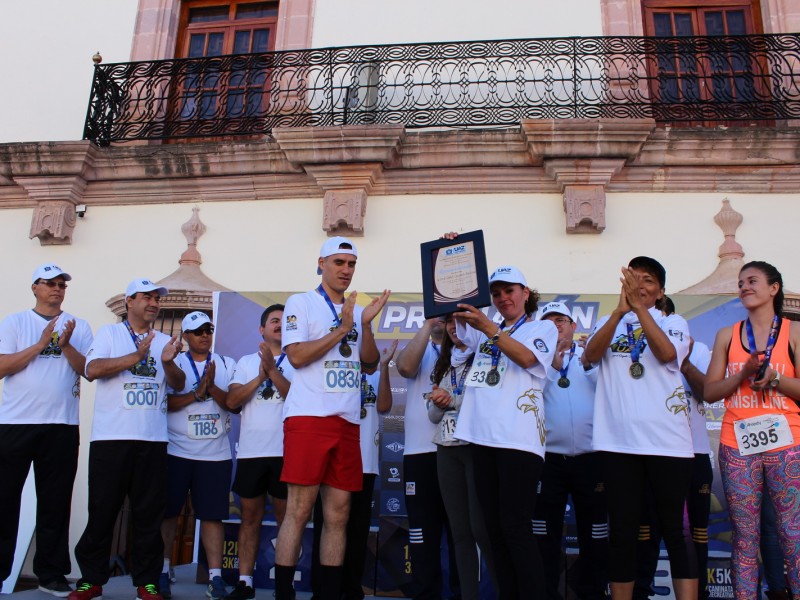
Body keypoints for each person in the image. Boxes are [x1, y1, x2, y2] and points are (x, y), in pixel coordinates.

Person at [273, 237, 389, 600]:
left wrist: (364, 326)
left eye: (351, 264)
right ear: (321, 263)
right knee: (299, 510)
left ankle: (327, 594)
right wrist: (340, 329)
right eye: (339, 262)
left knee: (338, 515)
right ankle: (283, 594)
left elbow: (369, 363)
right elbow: (296, 356)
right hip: (309, 418)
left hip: (347, 422)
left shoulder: (356, 310)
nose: (346, 270)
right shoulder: (301, 303)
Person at [583, 257, 697, 600]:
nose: (639, 287)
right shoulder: (609, 321)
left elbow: (665, 354)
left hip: (668, 444)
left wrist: (641, 311)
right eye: (633, 280)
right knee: (622, 531)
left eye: (647, 281)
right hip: (618, 445)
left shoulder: (674, 321)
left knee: (675, 531)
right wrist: (619, 313)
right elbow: (590, 355)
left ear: (660, 291)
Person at [70, 279, 184, 600]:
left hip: (152, 440)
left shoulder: (163, 341)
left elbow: (177, 383)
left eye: (156, 299)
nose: (153, 303)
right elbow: (92, 369)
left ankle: (146, 583)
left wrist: (167, 362)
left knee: (149, 515)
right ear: (129, 301)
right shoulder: (109, 334)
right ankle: (91, 580)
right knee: (103, 511)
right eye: (146, 297)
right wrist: (135, 357)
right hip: (111, 438)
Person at [452, 260, 557, 600]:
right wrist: (453, 257)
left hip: (518, 442)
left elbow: (528, 360)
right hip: (481, 439)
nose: (502, 298)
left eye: (509, 291)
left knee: (516, 529)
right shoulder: (485, 331)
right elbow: (457, 308)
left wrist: (491, 330)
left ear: (525, 293)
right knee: (493, 531)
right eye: (495, 293)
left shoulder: (542, 328)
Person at [704, 261, 800, 599]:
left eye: (753, 280)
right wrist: (741, 373)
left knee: (792, 532)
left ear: (774, 288)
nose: (745, 286)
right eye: (741, 281)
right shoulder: (727, 335)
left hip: (786, 442)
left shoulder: (794, 332)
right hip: (737, 443)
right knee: (745, 537)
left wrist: (775, 378)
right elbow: (710, 392)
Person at [0, 264, 93, 597]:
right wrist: (40, 345)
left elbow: (89, 370)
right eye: (49, 283)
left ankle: (50, 573)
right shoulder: (15, 322)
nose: (57, 288)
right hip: (14, 424)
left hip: (62, 425)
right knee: (4, 499)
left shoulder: (79, 325)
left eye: (62, 284)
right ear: (35, 288)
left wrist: (66, 345)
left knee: (55, 503)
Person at [633, 296, 713, 600]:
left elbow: (707, 393)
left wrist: (685, 359)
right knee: (646, 530)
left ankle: (699, 593)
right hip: (652, 452)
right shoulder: (637, 350)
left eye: (661, 317)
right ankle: (641, 591)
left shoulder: (701, 349)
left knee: (695, 534)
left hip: (694, 453)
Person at [532, 301, 608, 600]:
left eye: (561, 320)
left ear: (574, 325)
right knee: (544, 536)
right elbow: (532, 396)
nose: (556, 326)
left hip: (591, 458)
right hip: (548, 459)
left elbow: (608, 389)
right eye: (548, 322)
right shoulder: (534, 360)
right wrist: (551, 362)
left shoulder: (590, 355)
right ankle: (545, 593)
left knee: (596, 533)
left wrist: (588, 361)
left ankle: (594, 593)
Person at [311, 340, 397, 600]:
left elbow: (383, 407)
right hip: (333, 462)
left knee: (357, 529)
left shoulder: (374, 377)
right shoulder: (335, 375)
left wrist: (383, 367)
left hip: (365, 463)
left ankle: (351, 588)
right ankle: (323, 589)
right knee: (327, 525)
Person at [159, 311, 236, 600]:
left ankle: (215, 578)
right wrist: (197, 394)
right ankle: (164, 570)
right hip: (176, 451)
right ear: (186, 336)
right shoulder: (173, 361)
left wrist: (210, 387)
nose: (205, 334)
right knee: (168, 513)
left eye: (208, 329)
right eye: (198, 331)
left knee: (212, 517)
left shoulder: (226, 364)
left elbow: (232, 404)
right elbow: (165, 403)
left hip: (215, 454)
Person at [224, 305, 295, 600]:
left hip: (286, 452)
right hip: (252, 453)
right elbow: (232, 402)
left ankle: (284, 585)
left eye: (283, 321)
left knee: (286, 520)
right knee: (249, 518)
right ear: (262, 329)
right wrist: (260, 375)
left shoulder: (299, 360)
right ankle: (245, 582)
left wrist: (274, 370)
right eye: (273, 321)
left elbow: (295, 395)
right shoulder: (245, 362)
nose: (279, 324)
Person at [426, 314, 495, 600]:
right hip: (446, 449)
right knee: (460, 532)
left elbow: (488, 399)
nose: (455, 329)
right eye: (451, 324)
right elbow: (433, 416)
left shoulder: (486, 357)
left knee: (483, 531)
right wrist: (440, 402)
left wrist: (449, 399)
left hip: (475, 448)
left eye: (461, 323)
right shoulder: (446, 363)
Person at [395, 317, 460, 600]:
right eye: (438, 314)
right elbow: (405, 367)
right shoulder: (420, 348)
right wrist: (427, 326)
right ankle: (424, 595)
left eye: (449, 316)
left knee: (461, 534)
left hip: (457, 451)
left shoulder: (464, 349)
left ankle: (463, 594)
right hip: (419, 454)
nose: (443, 320)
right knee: (422, 534)